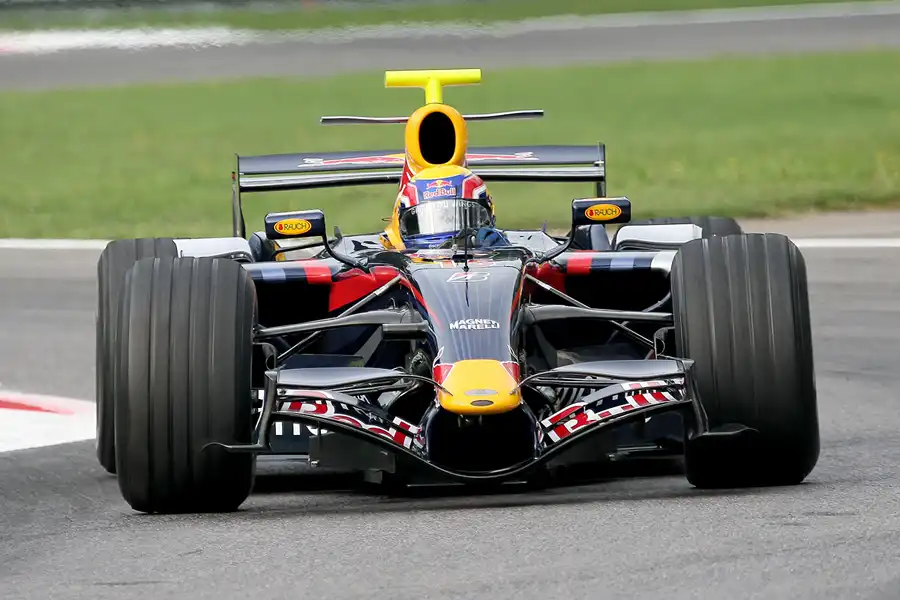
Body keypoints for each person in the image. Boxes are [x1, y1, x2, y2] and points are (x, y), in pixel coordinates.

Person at [381, 165, 509, 250]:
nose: (446, 242)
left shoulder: (494, 243)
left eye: (455, 218)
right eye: (430, 219)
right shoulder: (385, 262)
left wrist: (504, 253)